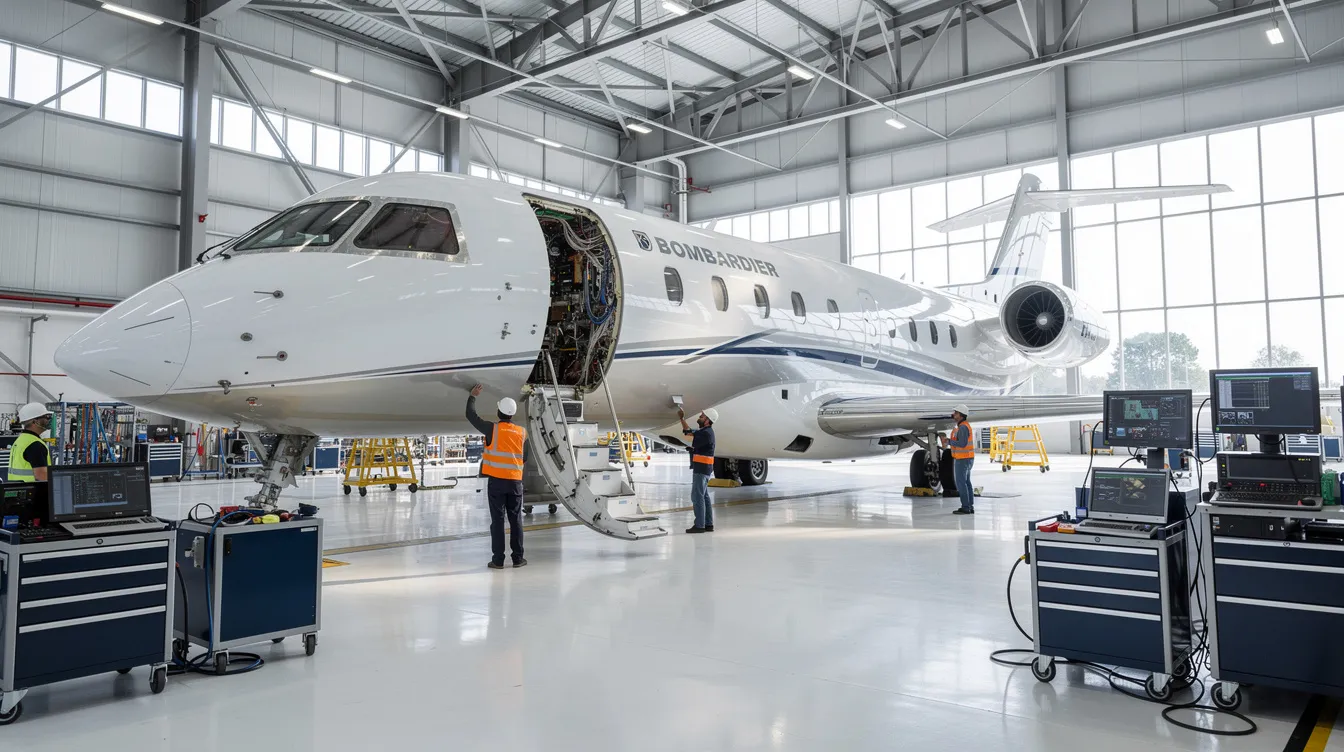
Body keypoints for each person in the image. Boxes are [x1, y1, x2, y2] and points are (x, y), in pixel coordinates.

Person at [467, 385, 527, 569]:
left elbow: (471, 416)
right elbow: (524, 457)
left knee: (498, 521)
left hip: (497, 483)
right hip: (515, 482)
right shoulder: (521, 432)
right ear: (512, 414)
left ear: (498, 411)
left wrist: (472, 397)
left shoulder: (492, 429)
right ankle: (518, 558)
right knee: (516, 520)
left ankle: (498, 560)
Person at [679, 407, 719, 534]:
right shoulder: (705, 431)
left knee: (697, 496)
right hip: (704, 468)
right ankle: (708, 524)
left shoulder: (706, 433)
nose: (699, 417)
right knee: (704, 496)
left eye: (702, 416)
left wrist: (690, 448)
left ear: (708, 420)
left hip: (701, 468)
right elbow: (688, 432)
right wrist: (681, 419)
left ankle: (700, 525)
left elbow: (694, 444)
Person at [939, 405, 975, 515]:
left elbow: (962, 444)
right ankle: (969, 506)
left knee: (961, 483)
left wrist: (949, 441)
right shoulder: (962, 426)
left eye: (956, 413)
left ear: (961, 415)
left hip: (963, 459)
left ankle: (965, 507)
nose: (953, 414)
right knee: (967, 482)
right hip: (966, 458)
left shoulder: (963, 427)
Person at [7, 403, 52, 483]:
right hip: (35, 493)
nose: (49, 420)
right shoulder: (35, 445)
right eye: (46, 417)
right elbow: (42, 478)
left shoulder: (22, 439)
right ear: (35, 421)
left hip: (20, 490)